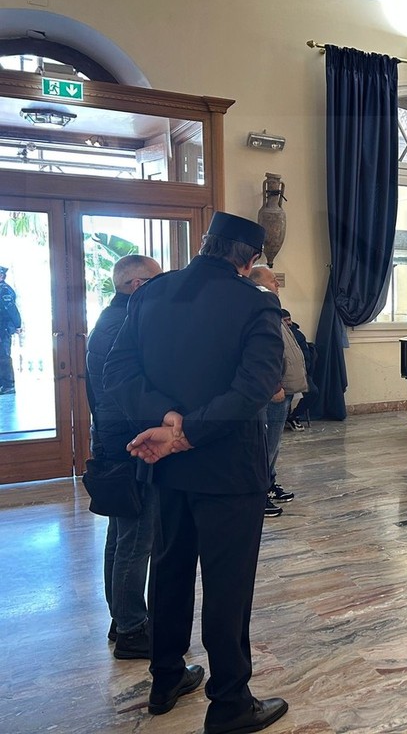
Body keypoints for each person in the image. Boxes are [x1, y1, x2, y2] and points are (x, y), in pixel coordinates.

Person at [104, 211, 289, 734]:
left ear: (205, 243)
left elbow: (116, 371)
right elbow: (257, 386)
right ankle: (230, 703)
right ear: (251, 259)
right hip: (229, 468)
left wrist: (165, 419)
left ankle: (165, 679)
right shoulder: (255, 303)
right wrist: (189, 432)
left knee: (169, 571)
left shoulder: (150, 295)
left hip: (166, 466)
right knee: (228, 585)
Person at [85, 254, 163, 659]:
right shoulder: (125, 326)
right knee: (136, 540)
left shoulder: (110, 319)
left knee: (120, 536)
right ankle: (133, 630)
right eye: (156, 281)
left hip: (113, 439)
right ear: (137, 285)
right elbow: (131, 391)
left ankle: (122, 619)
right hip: (130, 444)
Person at [248, 265, 306, 516]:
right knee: (266, 445)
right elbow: (266, 354)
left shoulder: (272, 308)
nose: (277, 284)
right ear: (258, 283)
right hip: (274, 390)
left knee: (274, 444)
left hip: (284, 388)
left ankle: (269, 483)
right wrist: (275, 385)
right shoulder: (258, 308)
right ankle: (258, 494)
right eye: (273, 280)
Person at [281, 310, 317, 430]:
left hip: (300, 372)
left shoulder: (298, 334)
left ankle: (294, 416)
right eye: (285, 320)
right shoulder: (277, 334)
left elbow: (306, 356)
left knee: (313, 392)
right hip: (283, 374)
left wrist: (305, 371)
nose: (288, 323)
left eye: (289, 319)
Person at [0, 264, 21, 395]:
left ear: (2, 276)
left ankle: (8, 384)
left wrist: (17, 325)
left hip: (3, 329)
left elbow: (11, 309)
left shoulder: (4, 290)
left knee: (3, 356)